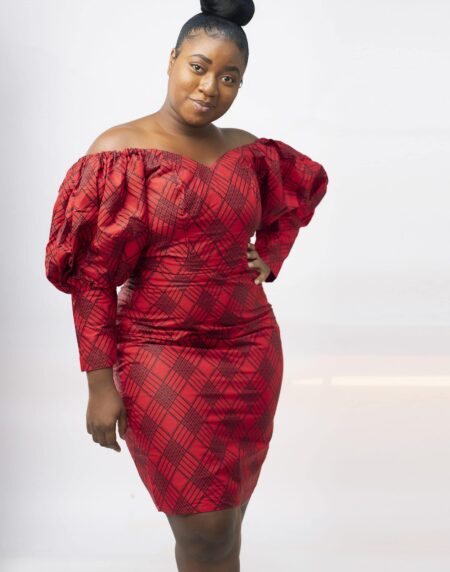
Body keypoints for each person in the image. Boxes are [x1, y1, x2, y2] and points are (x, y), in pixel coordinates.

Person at [44, 0, 329, 569]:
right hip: (159, 354)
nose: (209, 87)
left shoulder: (247, 150)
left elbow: (306, 186)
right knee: (206, 531)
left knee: (228, 523)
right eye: (198, 67)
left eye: (229, 78)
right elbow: (92, 278)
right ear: (172, 58)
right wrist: (100, 383)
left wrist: (270, 255)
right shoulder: (118, 151)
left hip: (249, 351)